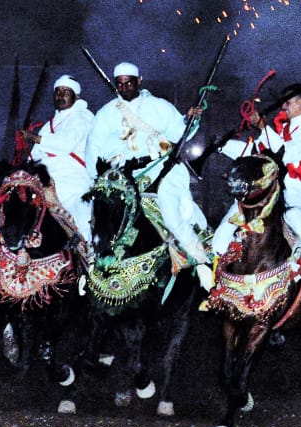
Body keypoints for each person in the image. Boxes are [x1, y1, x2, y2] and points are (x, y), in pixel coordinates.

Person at [85, 62, 213, 290]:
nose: (124, 87)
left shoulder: (159, 106)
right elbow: (93, 147)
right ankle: (90, 267)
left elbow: (179, 133)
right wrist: (97, 180)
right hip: (123, 177)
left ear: (139, 81)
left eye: (129, 82)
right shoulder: (105, 113)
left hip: (161, 169)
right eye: (120, 83)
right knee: (98, 217)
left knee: (171, 215)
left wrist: (189, 119)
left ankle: (201, 260)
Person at [209, 80, 301, 289]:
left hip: (295, 189)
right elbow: (254, 153)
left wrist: (264, 127)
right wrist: (221, 145)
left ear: (300, 103)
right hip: (266, 187)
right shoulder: (282, 129)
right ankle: (214, 287)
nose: (283, 107)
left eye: (287, 103)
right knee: (227, 223)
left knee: (293, 215)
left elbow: (284, 154)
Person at [20, 75, 96, 244]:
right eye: (57, 92)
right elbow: (36, 155)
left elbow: (66, 144)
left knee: (81, 215)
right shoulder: (50, 124)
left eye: (66, 92)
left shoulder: (83, 117)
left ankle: (89, 251)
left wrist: (35, 138)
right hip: (47, 179)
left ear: (76, 96)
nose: (60, 96)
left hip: (73, 179)